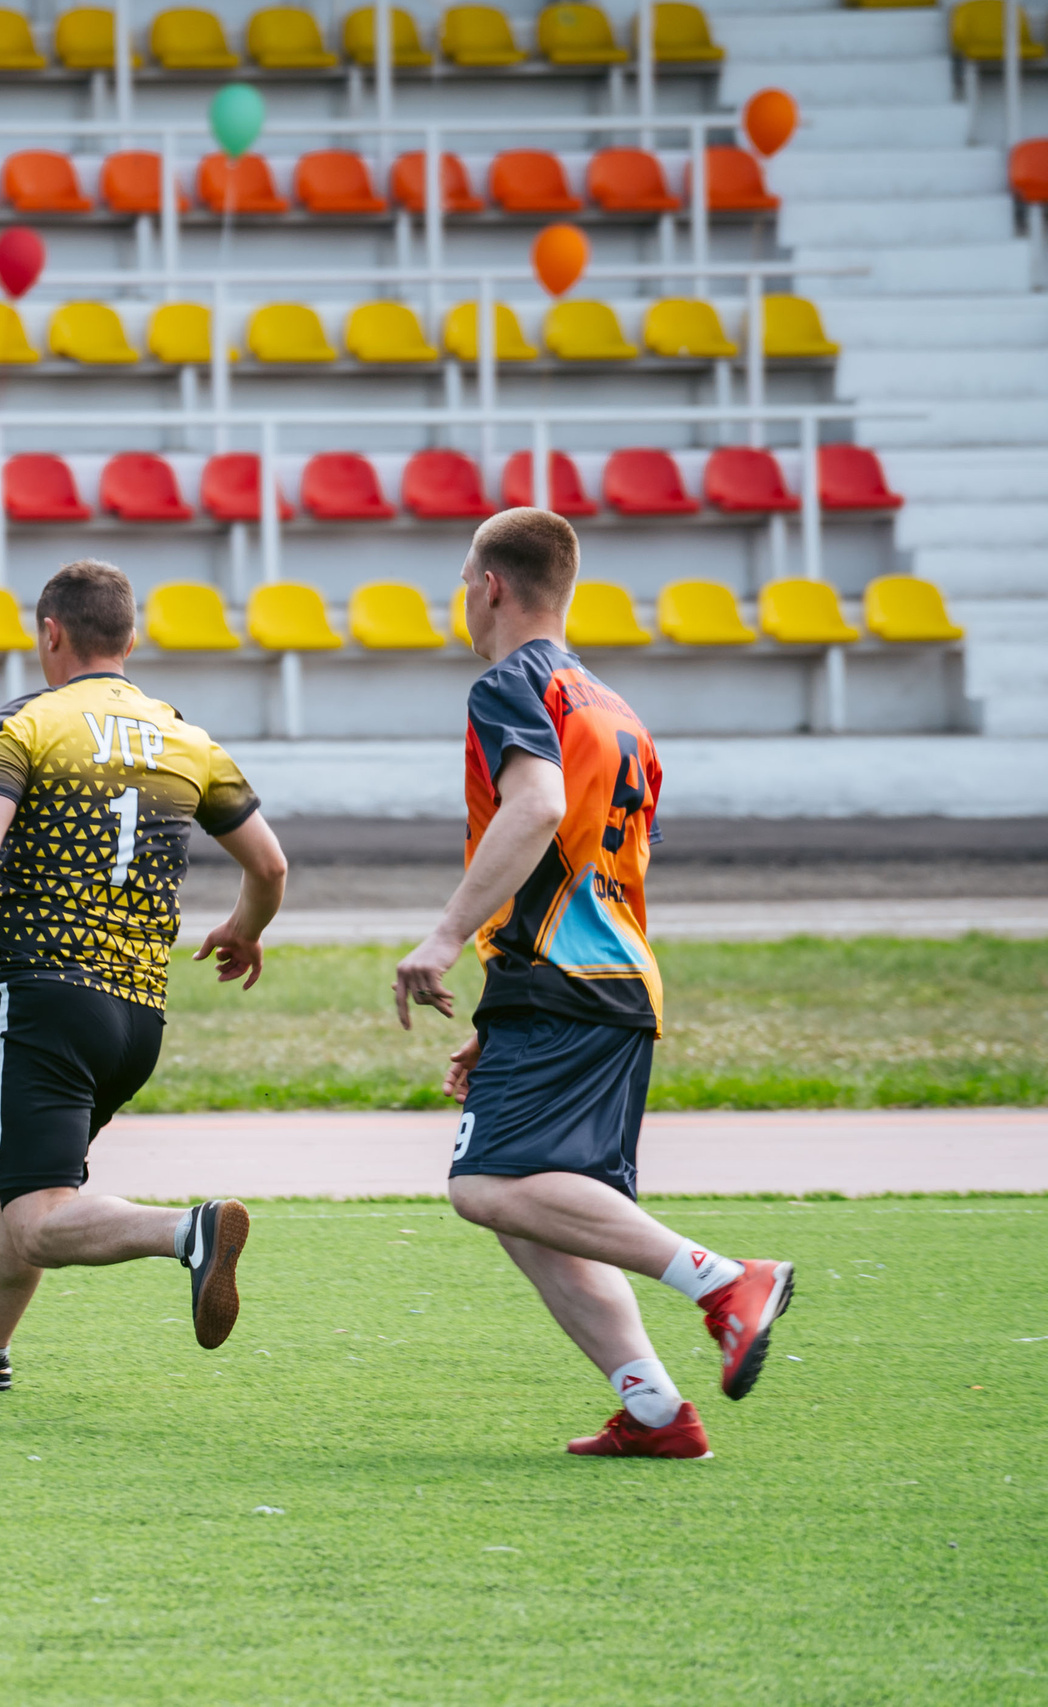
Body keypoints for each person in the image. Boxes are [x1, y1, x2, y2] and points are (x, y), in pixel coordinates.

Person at [393, 508, 796, 1460]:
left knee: (486, 1185)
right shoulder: (618, 710)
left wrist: (444, 937)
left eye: (463, 579)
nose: (462, 596)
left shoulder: (509, 683)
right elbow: (595, 868)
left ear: (491, 584)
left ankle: (726, 1279)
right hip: (602, 985)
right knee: (544, 1208)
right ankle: (655, 1409)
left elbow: (536, 808)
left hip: (566, 982)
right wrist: (503, 1015)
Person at [0, 560, 289, 1392]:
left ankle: (186, 1233)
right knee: (29, 1184)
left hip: (47, 993)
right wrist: (243, 930)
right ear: (132, 636)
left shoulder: (28, 722)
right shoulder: (184, 734)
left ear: (51, 634)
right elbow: (270, 865)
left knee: (40, 1219)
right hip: (139, 1016)